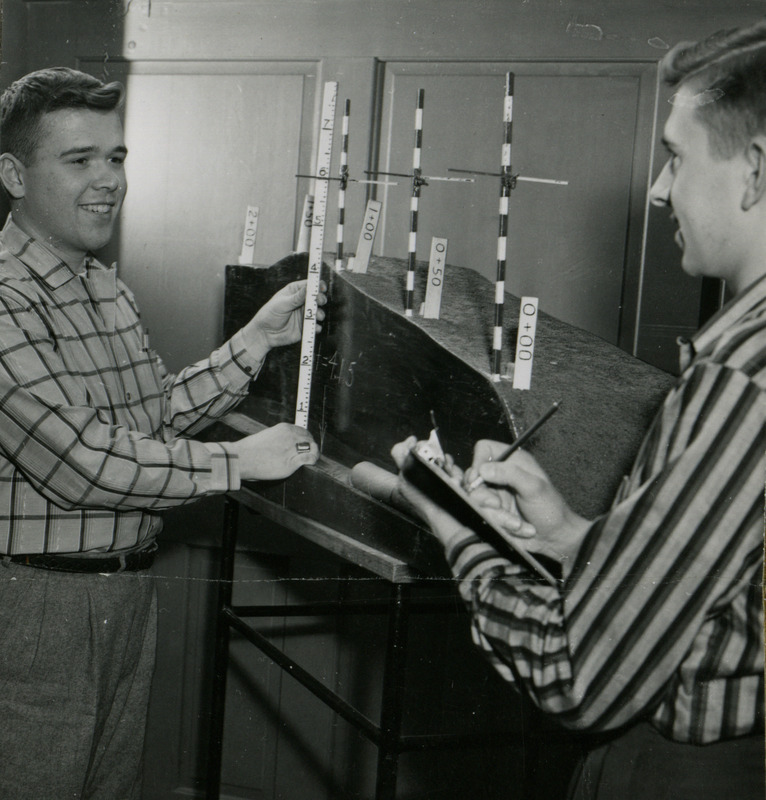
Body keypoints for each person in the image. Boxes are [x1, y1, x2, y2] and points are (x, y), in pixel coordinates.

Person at [391, 20, 766, 800]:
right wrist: (569, 535)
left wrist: (460, 532)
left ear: (755, 172)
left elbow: (581, 674)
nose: (659, 188)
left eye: (676, 155)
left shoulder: (741, 378)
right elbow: (724, 583)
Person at [0, 66, 326, 799]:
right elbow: (82, 462)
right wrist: (234, 463)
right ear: (14, 176)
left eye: (116, 158)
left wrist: (254, 341)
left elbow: (150, 420)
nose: (107, 179)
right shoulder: (3, 298)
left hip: (123, 598)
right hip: (36, 610)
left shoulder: (103, 285)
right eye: (78, 160)